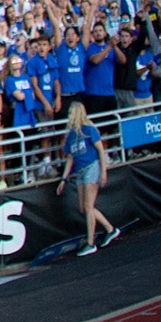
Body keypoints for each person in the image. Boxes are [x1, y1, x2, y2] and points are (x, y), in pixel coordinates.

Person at [56, 102, 119, 256]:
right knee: (83, 208)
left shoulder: (89, 130)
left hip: (91, 167)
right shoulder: (71, 135)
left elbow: (100, 150)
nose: (69, 115)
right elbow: (70, 158)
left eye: (71, 112)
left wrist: (103, 171)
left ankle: (91, 242)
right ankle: (110, 229)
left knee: (89, 206)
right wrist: (63, 179)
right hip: (80, 171)